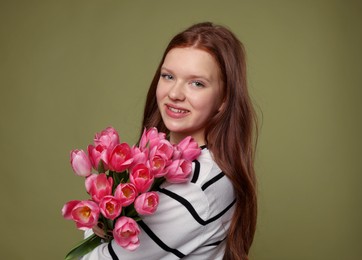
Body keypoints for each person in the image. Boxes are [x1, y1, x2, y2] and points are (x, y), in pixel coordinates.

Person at [81, 21, 258, 260]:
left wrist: (99, 223)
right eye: (168, 76)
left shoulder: (196, 186)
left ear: (223, 100)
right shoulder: (169, 162)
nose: (175, 94)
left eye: (197, 83)